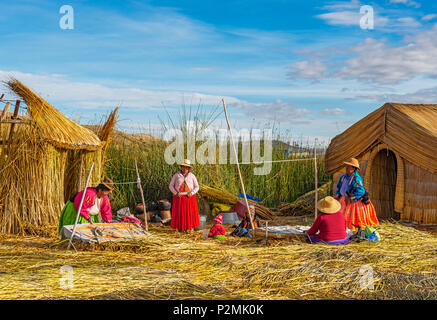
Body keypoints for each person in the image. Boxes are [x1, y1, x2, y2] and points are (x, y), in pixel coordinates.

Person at [334, 158, 379, 231]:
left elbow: (361, 191)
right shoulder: (343, 177)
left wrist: (352, 198)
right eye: (347, 166)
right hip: (343, 200)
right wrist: (338, 195)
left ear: (353, 168)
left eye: (349, 166)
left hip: (353, 202)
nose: (346, 167)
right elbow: (339, 187)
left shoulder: (356, 178)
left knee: (352, 219)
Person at [169, 159, 200, 233]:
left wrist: (191, 193)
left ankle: (190, 228)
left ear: (188, 168)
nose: (184, 168)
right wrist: (176, 193)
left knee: (190, 213)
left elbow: (197, 186)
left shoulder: (192, 176)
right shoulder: (176, 175)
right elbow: (171, 186)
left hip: (189, 197)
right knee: (180, 214)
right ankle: (180, 228)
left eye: (186, 167)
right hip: (179, 197)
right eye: (183, 167)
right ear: (181, 167)